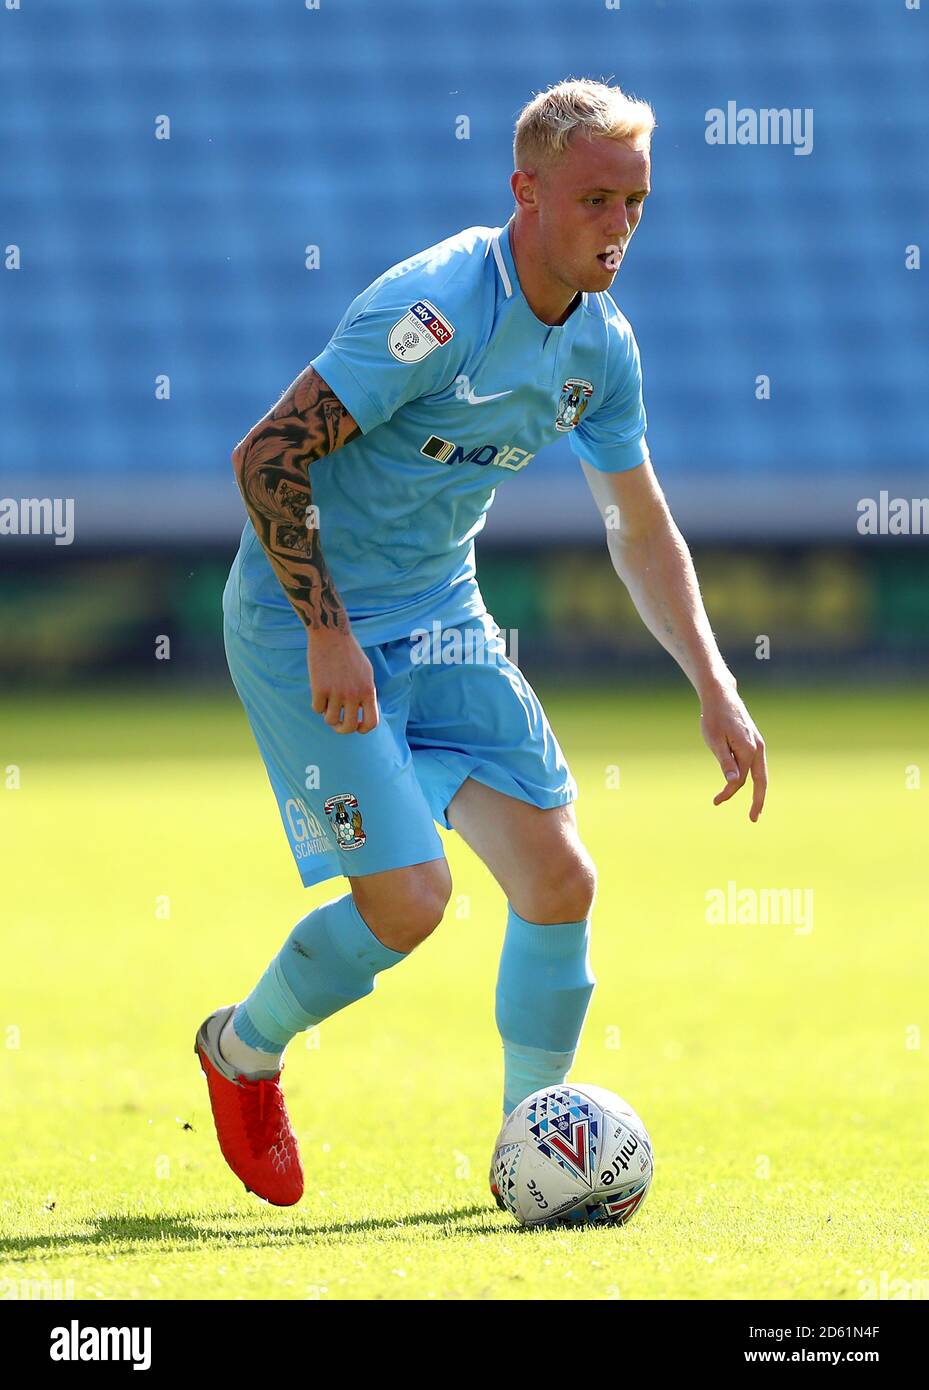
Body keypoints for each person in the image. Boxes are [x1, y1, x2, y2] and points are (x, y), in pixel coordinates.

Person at [195, 77, 767, 1207]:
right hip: (307, 620)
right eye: (596, 200)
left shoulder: (600, 349)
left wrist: (710, 679)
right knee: (410, 902)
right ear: (527, 190)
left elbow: (637, 521)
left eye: (635, 204)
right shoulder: (438, 309)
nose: (619, 229)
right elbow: (264, 456)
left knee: (558, 881)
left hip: (441, 616)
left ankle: (533, 1147)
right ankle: (241, 1050)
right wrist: (328, 632)